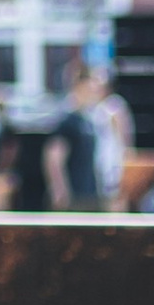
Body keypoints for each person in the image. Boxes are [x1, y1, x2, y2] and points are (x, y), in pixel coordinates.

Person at [48, 65, 108, 211]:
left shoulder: (88, 120)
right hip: (75, 197)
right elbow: (53, 158)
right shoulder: (68, 120)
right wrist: (60, 191)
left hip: (90, 194)